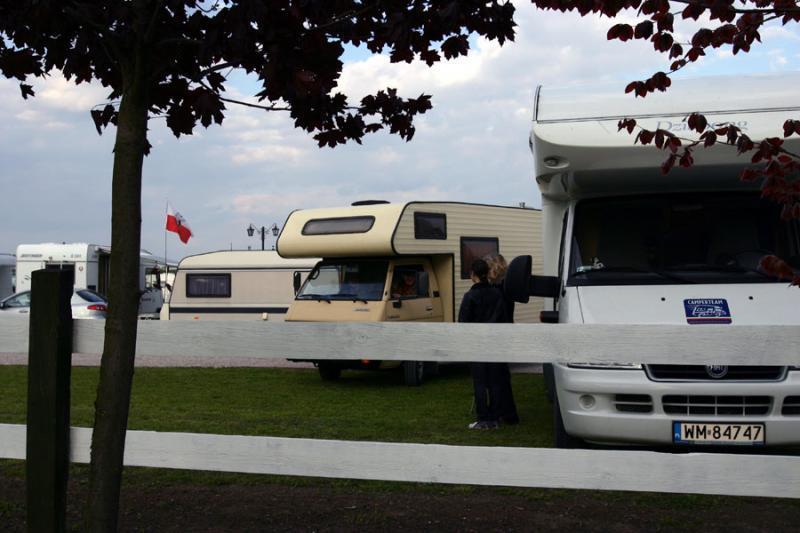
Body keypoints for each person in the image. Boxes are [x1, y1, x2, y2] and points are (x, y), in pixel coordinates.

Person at [458, 258, 507, 430]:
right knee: (494, 382)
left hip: (476, 344)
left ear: (473, 275)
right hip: (494, 343)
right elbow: (503, 319)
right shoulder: (497, 294)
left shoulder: (470, 296)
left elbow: (463, 322)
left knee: (479, 383)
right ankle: (494, 418)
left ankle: (482, 419)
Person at [484, 253, 520, 425]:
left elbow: (497, 315)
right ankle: (506, 412)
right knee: (501, 375)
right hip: (505, 333)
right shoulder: (506, 287)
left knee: (496, 375)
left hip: (497, 335)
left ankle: (501, 412)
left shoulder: (496, 291)